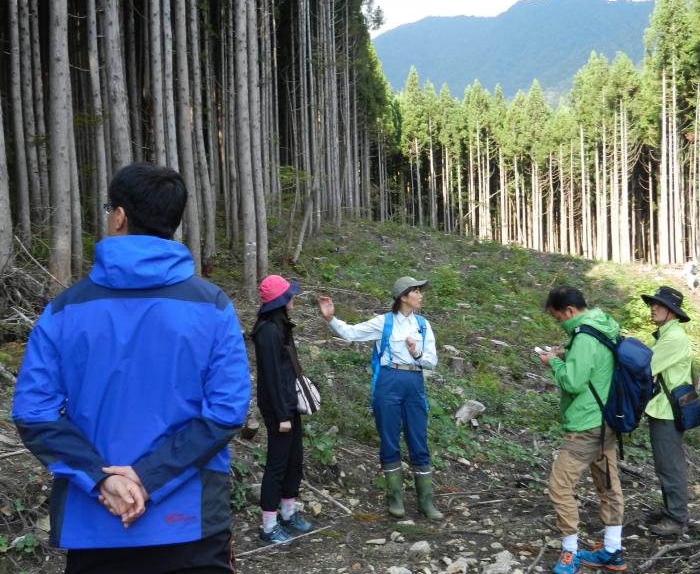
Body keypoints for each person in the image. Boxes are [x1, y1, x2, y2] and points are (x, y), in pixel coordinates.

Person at [12, 163, 250, 573]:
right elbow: (226, 412)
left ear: (119, 216)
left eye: (109, 209)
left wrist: (104, 479)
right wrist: (147, 477)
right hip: (189, 525)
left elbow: (33, 414)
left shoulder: (65, 310)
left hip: (96, 525)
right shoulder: (212, 306)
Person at [317, 276, 443, 520]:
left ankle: (426, 502)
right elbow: (351, 333)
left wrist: (416, 353)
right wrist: (330, 318)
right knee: (388, 438)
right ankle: (396, 499)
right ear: (404, 296)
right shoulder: (383, 322)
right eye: (416, 291)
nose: (421, 295)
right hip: (388, 382)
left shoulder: (424, 325)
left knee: (418, 438)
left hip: (414, 382)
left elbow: (432, 361)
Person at [539, 286, 625, 574]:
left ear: (570, 311)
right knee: (608, 486)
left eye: (558, 318)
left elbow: (574, 383)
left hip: (586, 425)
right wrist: (567, 352)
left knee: (559, 486)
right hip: (606, 422)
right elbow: (595, 363)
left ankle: (569, 552)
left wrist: (554, 362)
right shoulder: (602, 324)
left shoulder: (585, 335)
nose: (559, 324)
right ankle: (613, 550)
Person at [252, 275, 314, 545]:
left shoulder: (282, 326)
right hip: (279, 408)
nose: (294, 298)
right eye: (290, 295)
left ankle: (288, 514)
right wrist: (282, 416)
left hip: (290, 403)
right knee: (277, 463)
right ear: (280, 301)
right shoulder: (267, 331)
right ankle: (268, 527)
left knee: (294, 459)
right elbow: (272, 377)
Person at [641, 286, 693, 537]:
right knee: (665, 463)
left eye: (659, 305)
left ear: (672, 312)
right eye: (653, 303)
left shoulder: (673, 338)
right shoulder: (666, 335)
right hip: (663, 408)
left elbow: (645, 366)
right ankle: (671, 510)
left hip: (667, 411)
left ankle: (677, 518)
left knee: (670, 465)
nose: (653, 307)